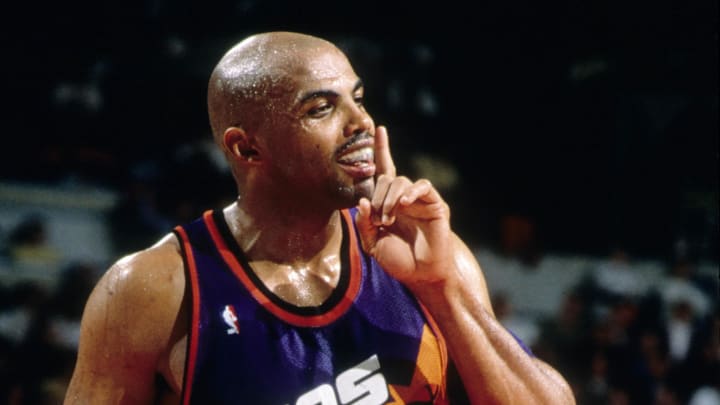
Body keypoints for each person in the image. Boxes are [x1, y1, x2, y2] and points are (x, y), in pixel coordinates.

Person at [64, 31, 575, 404]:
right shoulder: (153, 290)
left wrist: (442, 291)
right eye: (321, 109)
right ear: (247, 148)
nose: (361, 124)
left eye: (357, 99)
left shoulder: (423, 255)